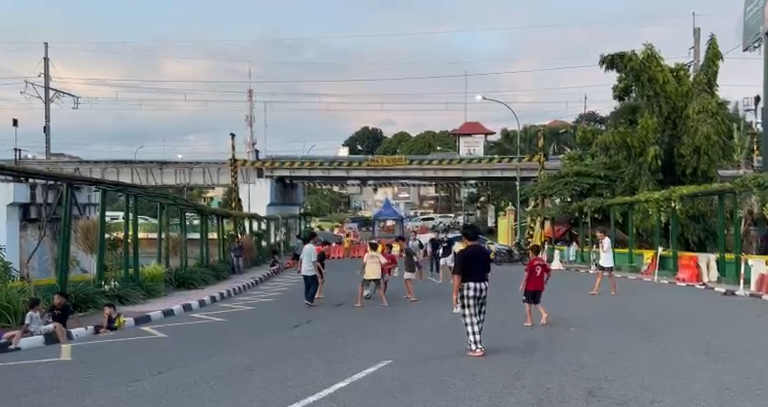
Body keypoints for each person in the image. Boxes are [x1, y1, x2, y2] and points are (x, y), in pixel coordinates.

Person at [452, 224, 491, 357]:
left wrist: (455, 292)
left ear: (464, 238)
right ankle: (473, 341)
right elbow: (487, 271)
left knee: (469, 317)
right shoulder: (485, 252)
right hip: (483, 284)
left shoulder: (462, 254)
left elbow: (457, 274)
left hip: (469, 286)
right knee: (479, 316)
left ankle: (477, 347)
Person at [520, 245, 551, 327]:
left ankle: (529, 320)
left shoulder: (531, 263)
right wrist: (546, 281)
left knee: (527, 303)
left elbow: (527, 274)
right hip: (540, 286)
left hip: (530, 286)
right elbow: (548, 271)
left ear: (532, 253)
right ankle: (543, 313)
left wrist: (523, 284)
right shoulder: (542, 261)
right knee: (536, 302)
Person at [356, 241, 388, 307]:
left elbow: (364, 263)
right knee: (379, 288)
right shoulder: (378, 254)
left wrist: (361, 271)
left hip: (369, 274)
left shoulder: (367, 255)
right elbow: (385, 262)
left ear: (370, 248)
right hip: (377, 274)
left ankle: (359, 302)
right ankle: (385, 302)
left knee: (361, 286)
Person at [590, 227, 617, 296]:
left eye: (599, 235)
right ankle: (595, 290)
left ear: (603, 234)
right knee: (599, 275)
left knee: (610, 275)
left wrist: (601, 243)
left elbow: (605, 250)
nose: (598, 236)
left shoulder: (607, 240)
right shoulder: (600, 240)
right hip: (602, 261)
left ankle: (614, 290)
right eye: (597, 235)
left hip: (608, 262)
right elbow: (601, 251)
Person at [297, 232, 321, 306]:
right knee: (315, 285)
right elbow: (314, 261)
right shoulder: (313, 248)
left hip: (304, 270)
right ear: (313, 239)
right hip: (310, 271)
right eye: (316, 238)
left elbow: (300, 258)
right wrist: (317, 273)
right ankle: (309, 299)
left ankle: (307, 299)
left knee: (307, 285)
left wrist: (299, 267)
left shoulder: (306, 247)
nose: (317, 239)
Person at [396, 235, 419, 301]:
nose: (398, 243)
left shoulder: (407, 248)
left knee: (408, 281)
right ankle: (409, 294)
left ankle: (413, 296)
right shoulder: (403, 248)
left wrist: (417, 265)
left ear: (400, 241)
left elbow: (414, 255)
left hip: (410, 266)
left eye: (398, 242)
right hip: (407, 266)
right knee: (406, 280)